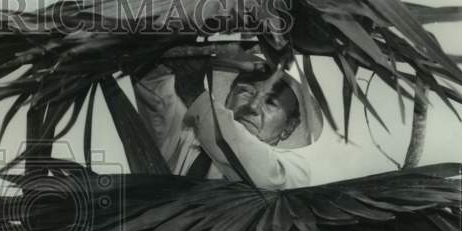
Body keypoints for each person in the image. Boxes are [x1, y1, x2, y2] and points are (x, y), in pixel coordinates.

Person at [130, 59, 323, 189]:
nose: (253, 106)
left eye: (271, 102)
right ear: (229, 97)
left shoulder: (293, 171)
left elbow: (263, 174)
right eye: (245, 91)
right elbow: (154, 88)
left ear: (289, 128)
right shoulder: (187, 142)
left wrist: (198, 97)